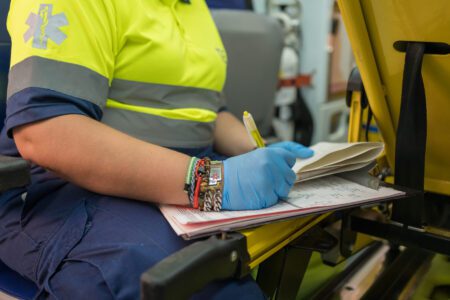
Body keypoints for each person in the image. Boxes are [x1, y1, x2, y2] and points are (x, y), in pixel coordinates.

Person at [0, 0, 313, 298]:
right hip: (67, 194)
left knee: (297, 231)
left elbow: (207, 112)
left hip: (182, 176)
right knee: (197, 280)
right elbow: (46, 135)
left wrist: (260, 152)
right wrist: (214, 182)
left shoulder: (194, 7)